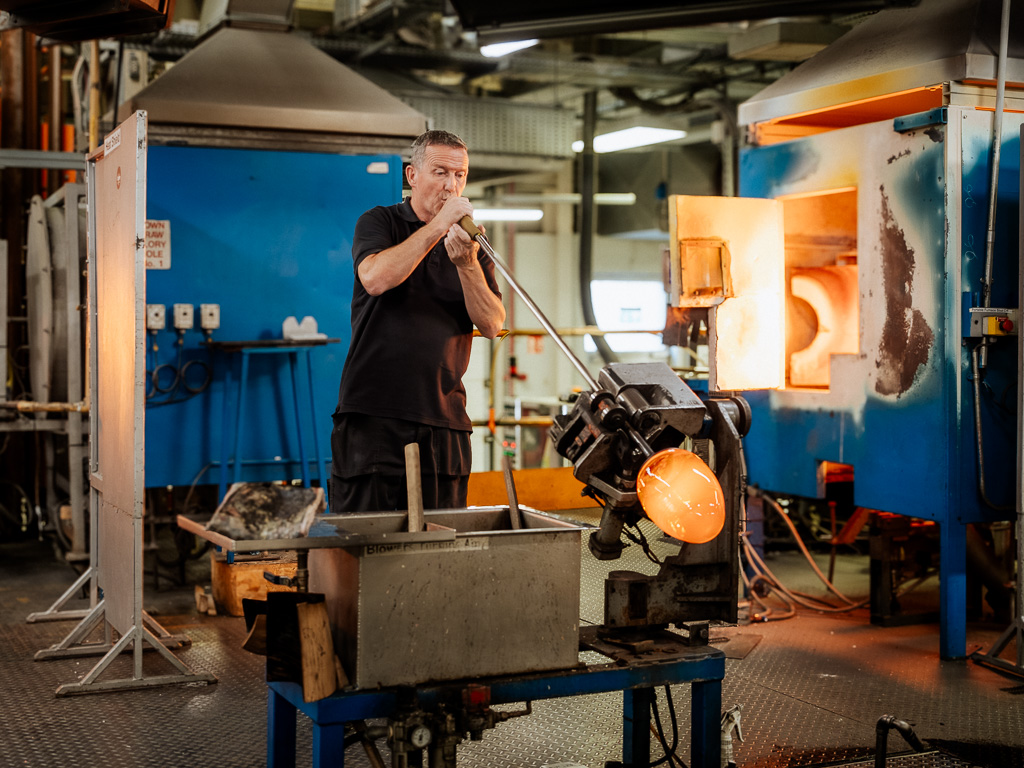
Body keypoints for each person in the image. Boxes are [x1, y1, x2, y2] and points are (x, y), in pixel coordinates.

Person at [329, 130, 505, 514]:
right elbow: (375, 279)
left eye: (460, 175)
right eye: (440, 172)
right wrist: (439, 226)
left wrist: (467, 264)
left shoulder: (472, 245)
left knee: (441, 550)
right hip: (374, 416)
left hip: (445, 421)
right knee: (366, 545)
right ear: (412, 176)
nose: (451, 184)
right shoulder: (380, 222)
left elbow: (492, 323)